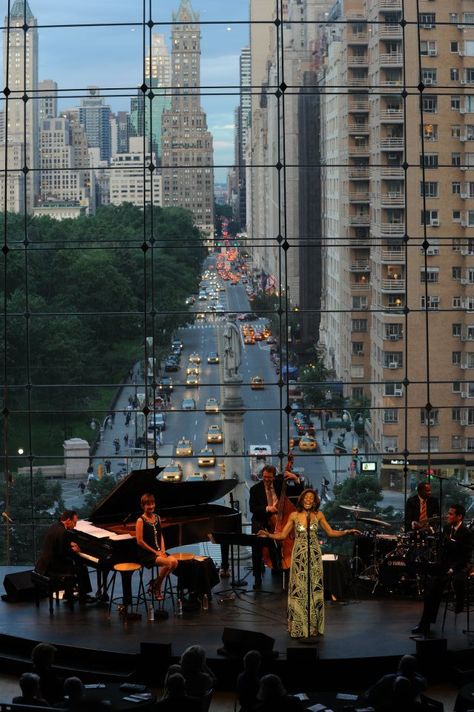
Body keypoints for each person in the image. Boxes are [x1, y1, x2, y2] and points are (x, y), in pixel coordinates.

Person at [258, 489, 360, 638]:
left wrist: (347, 531)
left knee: (313, 588)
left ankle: (313, 627)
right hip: (299, 556)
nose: (308, 500)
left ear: (314, 501)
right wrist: (268, 535)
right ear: (302, 499)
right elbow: (282, 535)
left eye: (311, 498)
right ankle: (299, 626)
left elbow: (331, 532)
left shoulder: (318, 515)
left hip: (314, 555)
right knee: (299, 589)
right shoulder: (294, 515)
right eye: (306, 497)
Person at [412, 503, 473, 635]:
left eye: (451, 514)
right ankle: (425, 624)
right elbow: (444, 551)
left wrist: (452, 568)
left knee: (458, 580)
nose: (448, 516)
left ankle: (459, 603)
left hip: (460, 566)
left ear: (459, 516)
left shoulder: (466, 533)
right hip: (446, 565)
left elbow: (466, 556)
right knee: (431, 590)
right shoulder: (446, 528)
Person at [249, 464, 303, 589]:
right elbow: (253, 508)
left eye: (269, 477)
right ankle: (257, 578)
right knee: (257, 547)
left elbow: (297, 492)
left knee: (281, 540)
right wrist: (268, 508)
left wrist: (295, 478)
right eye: (264, 477)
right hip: (261, 520)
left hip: (279, 519)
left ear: (273, 477)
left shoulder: (279, 485)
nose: (267, 480)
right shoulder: (255, 489)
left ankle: (278, 568)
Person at [35, 510, 94, 605]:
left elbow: (58, 544)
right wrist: (74, 550)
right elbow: (62, 553)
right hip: (53, 567)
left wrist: (69, 544)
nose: (75, 526)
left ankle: (69, 593)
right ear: (68, 520)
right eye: (74, 523)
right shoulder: (64, 532)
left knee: (76, 565)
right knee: (82, 568)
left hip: (45, 563)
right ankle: (83, 597)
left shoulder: (55, 526)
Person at [135, 493, 178, 600]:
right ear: (143, 506)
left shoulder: (157, 518)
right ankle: (158, 587)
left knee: (175, 562)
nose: (151, 506)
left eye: (153, 503)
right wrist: (155, 552)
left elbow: (161, 535)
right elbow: (139, 541)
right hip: (147, 554)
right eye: (148, 504)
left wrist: (163, 550)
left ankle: (155, 583)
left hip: (159, 551)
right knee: (169, 563)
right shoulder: (140, 520)